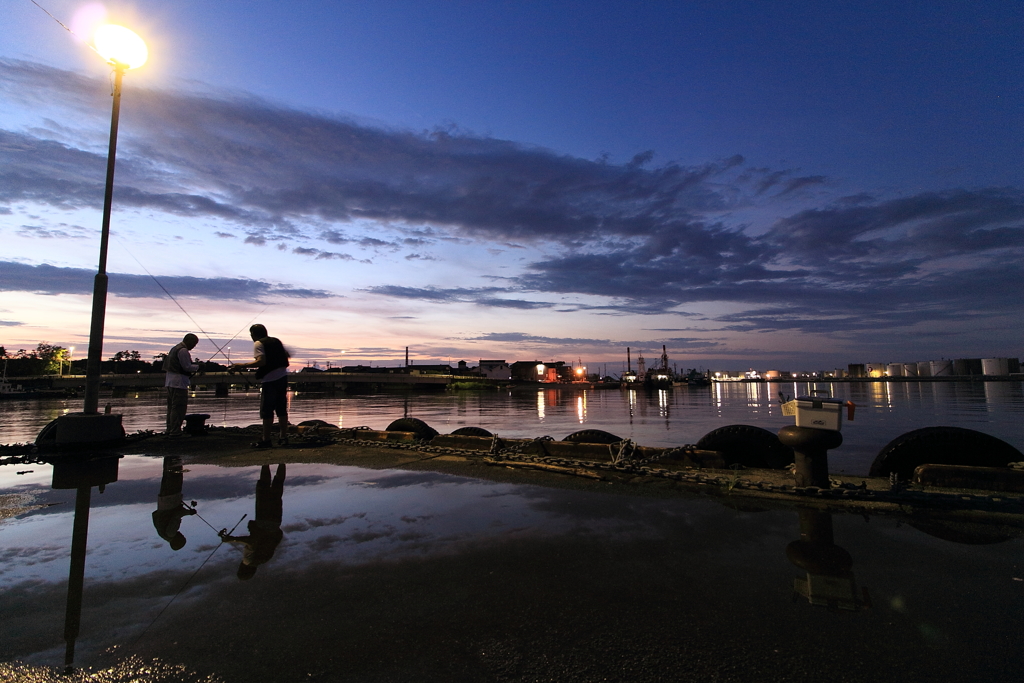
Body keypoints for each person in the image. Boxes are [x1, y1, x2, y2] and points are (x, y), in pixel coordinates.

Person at [219, 463, 286, 580]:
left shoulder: (265, 559)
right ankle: (266, 463)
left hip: (276, 522)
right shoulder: (248, 560)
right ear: (241, 569)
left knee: (277, 490)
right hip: (263, 520)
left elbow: (276, 538)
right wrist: (232, 539)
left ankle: (282, 462)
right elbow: (252, 542)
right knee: (263, 489)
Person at [230, 324, 290, 448]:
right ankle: (283, 437)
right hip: (283, 377)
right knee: (281, 409)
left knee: (267, 410)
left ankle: (266, 440)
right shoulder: (276, 341)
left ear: (253, 334)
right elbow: (286, 355)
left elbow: (261, 361)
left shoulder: (258, 343)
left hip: (269, 379)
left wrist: (241, 365)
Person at [151, 455, 196, 550]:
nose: (182, 535)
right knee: (167, 474)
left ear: (178, 540)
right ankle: (168, 455)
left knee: (175, 475)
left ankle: (174, 455)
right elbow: (155, 515)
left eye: (182, 537)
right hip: (163, 500)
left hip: (170, 499)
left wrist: (189, 512)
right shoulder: (162, 534)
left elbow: (177, 515)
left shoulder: (171, 533)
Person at [163, 333, 200, 437]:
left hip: (170, 382)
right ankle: (175, 432)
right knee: (179, 408)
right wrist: (198, 367)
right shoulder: (183, 350)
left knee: (171, 408)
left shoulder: (174, 348)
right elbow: (187, 367)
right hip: (179, 383)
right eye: (194, 344)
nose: (194, 346)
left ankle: (170, 429)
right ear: (189, 341)